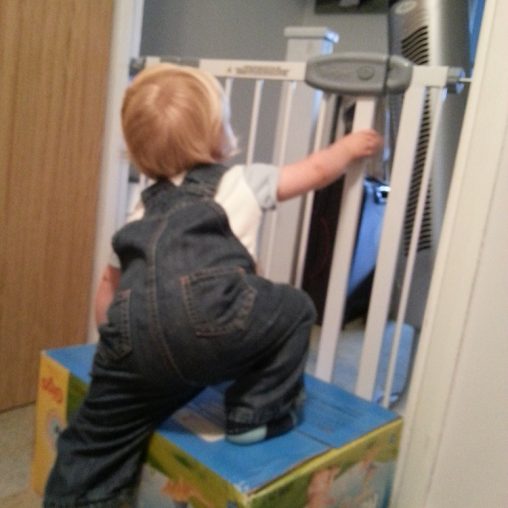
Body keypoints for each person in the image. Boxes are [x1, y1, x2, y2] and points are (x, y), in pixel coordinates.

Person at [44, 63, 382, 507]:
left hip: (134, 338)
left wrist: (111, 350)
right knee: (296, 308)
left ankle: (75, 497)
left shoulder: (136, 213)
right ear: (220, 138)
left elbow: (109, 288)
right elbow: (316, 170)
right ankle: (253, 414)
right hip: (215, 323)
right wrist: (348, 146)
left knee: (94, 437)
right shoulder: (243, 181)